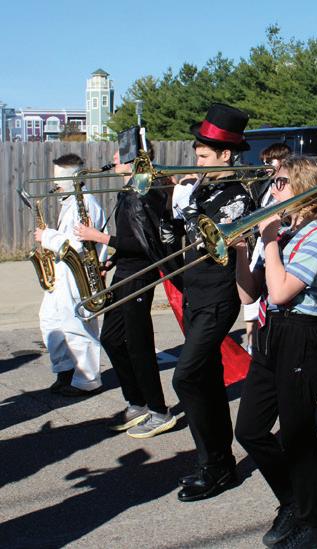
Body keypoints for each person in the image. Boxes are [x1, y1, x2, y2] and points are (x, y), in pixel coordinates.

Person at [235, 156, 317, 548]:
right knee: (249, 429)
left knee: (297, 434)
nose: (273, 191)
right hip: (269, 332)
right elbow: (249, 294)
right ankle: (291, 500)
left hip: (300, 335)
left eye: (281, 183)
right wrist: (240, 249)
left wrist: (270, 240)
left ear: (304, 188)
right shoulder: (284, 234)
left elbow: (281, 293)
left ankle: (313, 524)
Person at [174, 103, 255, 502]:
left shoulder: (237, 196)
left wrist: (188, 206)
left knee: (185, 377)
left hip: (218, 299)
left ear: (225, 155)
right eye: (197, 154)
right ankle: (218, 463)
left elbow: (213, 244)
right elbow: (173, 241)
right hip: (195, 295)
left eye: (204, 156)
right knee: (205, 378)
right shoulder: (202, 188)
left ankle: (215, 462)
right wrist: (171, 212)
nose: (197, 162)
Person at [75, 148, 176, 438]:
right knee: (111, 338)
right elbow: (130, 239)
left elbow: (146, 244)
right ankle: (137, 402)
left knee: (139, 344)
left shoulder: (145, 193)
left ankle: (159, 411)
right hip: (124, 272)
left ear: (134, 160)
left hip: (139, 275)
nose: (114, 161)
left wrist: (100, 237)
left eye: (119, 156)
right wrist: (111, 260)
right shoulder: (129, 192)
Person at [35, 154, 106, 397]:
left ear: (73, 177)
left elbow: (76, 244)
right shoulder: (69, 201)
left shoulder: (84, 202)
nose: (55, 183)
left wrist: (46, 236)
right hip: (62, 272)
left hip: (78, 274)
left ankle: (88, 380)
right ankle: (65, 370)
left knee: (77, 326)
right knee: (50, 320)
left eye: (59, 177)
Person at [242, 142, 292, 355]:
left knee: (271, 294)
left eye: (269, 161)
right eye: (263, 161)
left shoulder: (288, 187)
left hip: (276, 241)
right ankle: (253, 344)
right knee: (254, 294)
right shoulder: (267, 185)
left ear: (283, 160)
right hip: (264, 241)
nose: (265, 165)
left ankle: (255, 345)